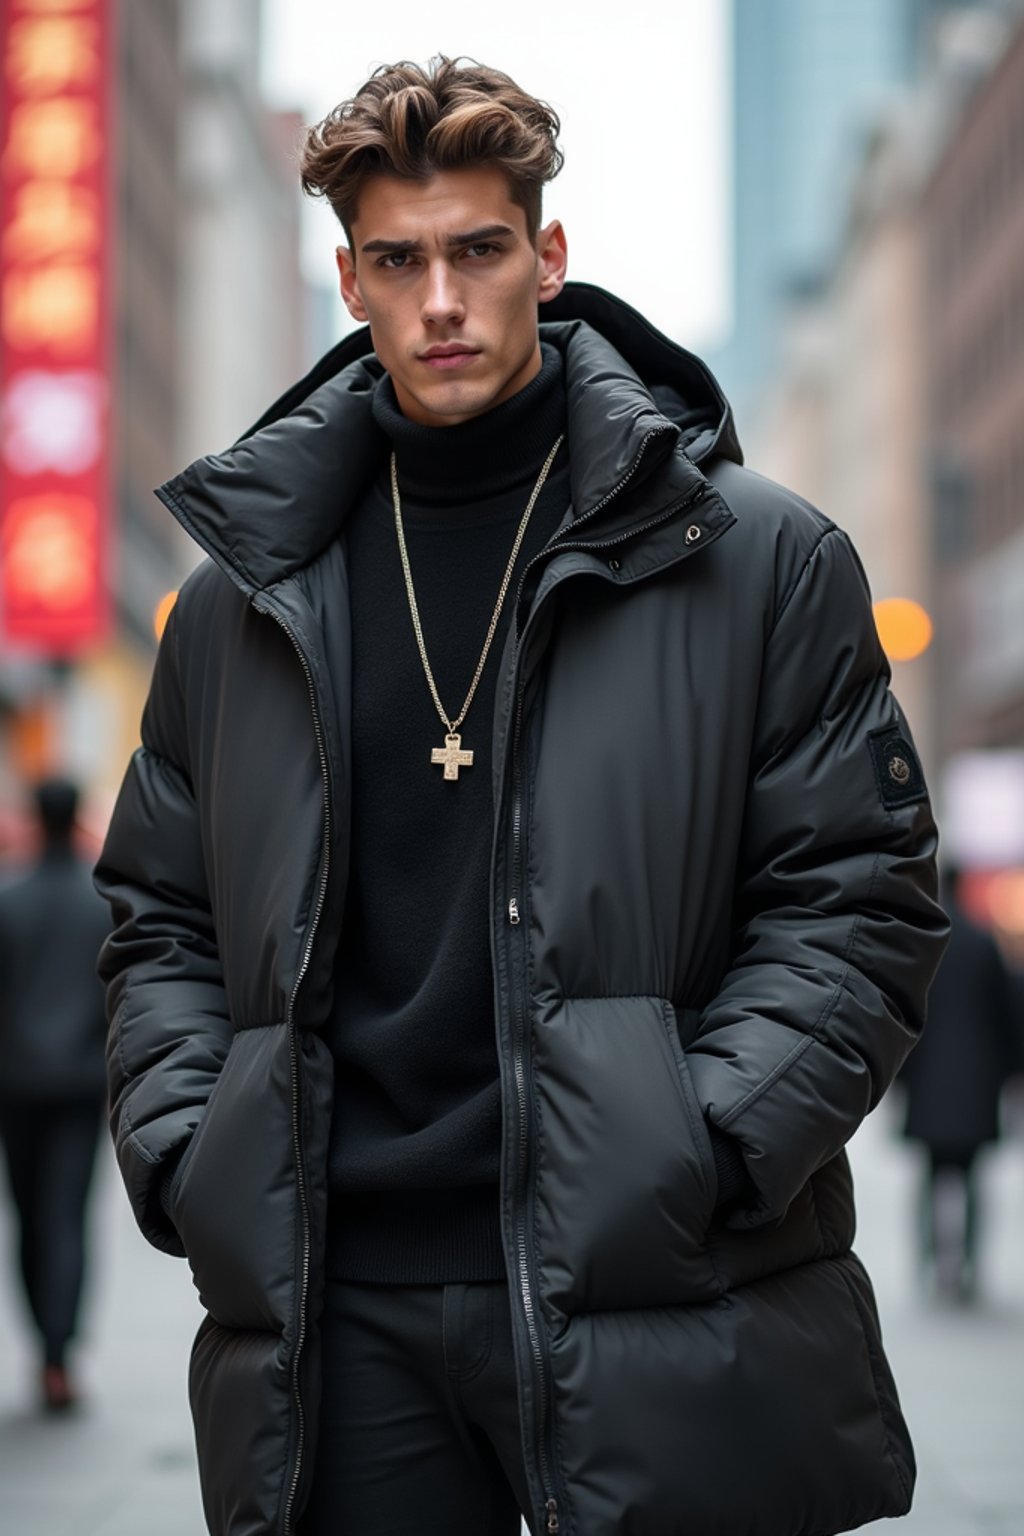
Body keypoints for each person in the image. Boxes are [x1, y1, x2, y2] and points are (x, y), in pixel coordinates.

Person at [95, 56, 948, 1536]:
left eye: (480, 250)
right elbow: (159, 916)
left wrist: (708, 1143)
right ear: (349, 279)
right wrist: (191, 1152)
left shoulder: (753, 558)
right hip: (337, 1313)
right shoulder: (243, 598)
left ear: (547, 261)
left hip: (654, 1280)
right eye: (401, 259)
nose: (443, 300)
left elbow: (859, 896)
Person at [0, 777, 110, 1411]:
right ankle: (58, 1355)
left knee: (28, 1216)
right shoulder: (100, 903)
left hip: (15, 1085)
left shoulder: (9, 901)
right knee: (67, 1217)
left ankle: (43, 1343)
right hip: (78, 1085)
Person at [899, 865, 1022, 1303]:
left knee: (930, 1174)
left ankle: (930, 1259)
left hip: (929, 1079)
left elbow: (901, 1011)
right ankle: (967, 1265)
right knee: (970, 1178)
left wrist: (899, 1077)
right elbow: (1009, 1013)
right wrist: (1012, 1071)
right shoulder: (983, 943)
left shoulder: (921, 942)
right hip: (977, 1082)